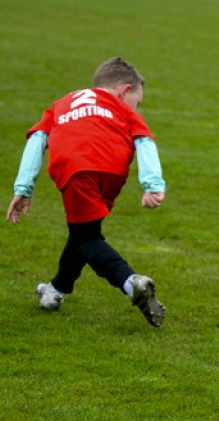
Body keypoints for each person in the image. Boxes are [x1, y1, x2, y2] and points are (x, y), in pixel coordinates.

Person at [6, 57, 168, 328]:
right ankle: (56, 291)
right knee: (83, 234)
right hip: (113, 168)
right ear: (124, 90)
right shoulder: (123, 109)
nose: (136, 107)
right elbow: (144, 141)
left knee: (88, 237)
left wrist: (24, 187)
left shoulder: (61, 104)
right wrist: (153, 185)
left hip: (76, 167)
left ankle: (131, 283)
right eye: (137, 102)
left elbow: (37, 140)